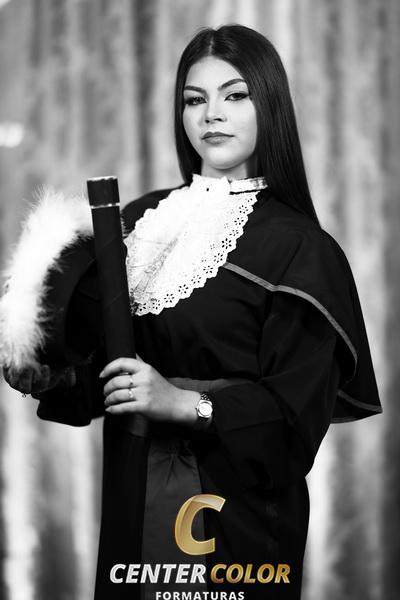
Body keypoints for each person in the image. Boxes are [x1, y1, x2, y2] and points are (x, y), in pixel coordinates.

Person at [1, 25, 382, 600]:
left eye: (235, 95)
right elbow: (109, 370)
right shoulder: (139, 221)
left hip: (234, 521)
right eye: (194, 99)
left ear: (270, 104)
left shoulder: (302, 250)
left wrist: (184, 403)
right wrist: (48, 372)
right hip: (134, 496)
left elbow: (294, 421)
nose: (212, 115)